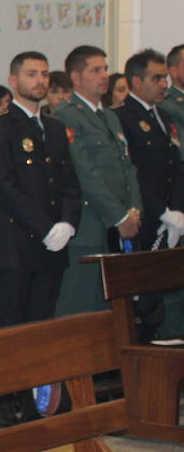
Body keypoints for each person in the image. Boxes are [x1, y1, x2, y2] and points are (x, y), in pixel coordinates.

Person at [0, 51, 81, 427]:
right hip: (17, 245)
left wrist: (68, 222)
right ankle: (1, 400)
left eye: (44, 74)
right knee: (10, 324)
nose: (39, 81)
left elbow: (69, 182)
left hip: (53, 245)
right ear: (13, 81)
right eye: (31, 74)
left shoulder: (52, 127)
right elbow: (4, 186)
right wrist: (44, 227)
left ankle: (35, 398)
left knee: (41, 325)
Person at [51, 45, 143, 316]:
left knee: (115, 310)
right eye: (95, 70)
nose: (104, 75)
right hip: (90, 226)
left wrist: (134, 210)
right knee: (83, 307)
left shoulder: (109, 116)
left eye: (105, 69)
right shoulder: (67, 115)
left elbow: (127, 167)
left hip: (119, 225)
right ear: (76, 78)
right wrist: (118, 216)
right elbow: (85, 172)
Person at [115, 49, 184, 248]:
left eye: (164, 78)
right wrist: (162, 212)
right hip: (143, 216)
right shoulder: (121, 118)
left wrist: (176, 210)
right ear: (137, 81)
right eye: (156, 79)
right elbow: (130, 173)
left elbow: (176, 164)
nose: (164, 84)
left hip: (173, 218)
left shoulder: (164, 117)